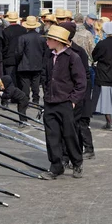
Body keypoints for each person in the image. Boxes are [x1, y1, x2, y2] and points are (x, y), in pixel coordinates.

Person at [40, 25, 86, 180]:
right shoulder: (48, 56)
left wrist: (73, 101)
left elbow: (81, 82)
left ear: (57, 41)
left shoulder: (73, 57)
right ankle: (56, 167)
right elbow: (45, 76)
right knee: (52, 136)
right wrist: (46, 93)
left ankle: (77, 163)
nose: (47, 42)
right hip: (50, 102)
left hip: (66, 102)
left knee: (69, 135)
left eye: (49, 39)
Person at [59, 22, 95, 160]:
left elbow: (84, 76)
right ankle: (67, 155)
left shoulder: (79, 52)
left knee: (80, 123)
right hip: (63, 95)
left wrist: (80, 95)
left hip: (79, 95)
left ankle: (86, 149)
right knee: (67, 126)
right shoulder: (55, 50)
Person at [92, 22, 112, 130]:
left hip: (104, 75)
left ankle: (109, 123)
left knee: (105, 101)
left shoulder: (102, 43)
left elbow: (94, 56)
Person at [16, 16, 44, 104]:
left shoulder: (22, 37)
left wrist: (18, 60)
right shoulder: (41, 37)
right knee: (36, 83)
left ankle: (26, 99)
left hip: (25, 63)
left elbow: (19, 52)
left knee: (25, 83)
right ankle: (35, 99)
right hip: (37, 63)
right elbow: (45, 51)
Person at [2, 11, 26, 89]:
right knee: (20, 79)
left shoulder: (5, 31)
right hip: (21, 57)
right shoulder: (23, 30)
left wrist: (4, 55)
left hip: (9, 57)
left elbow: (5, 45)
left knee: (10, 79)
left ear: (9, 20)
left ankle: (12, 95)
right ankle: (19, 95)